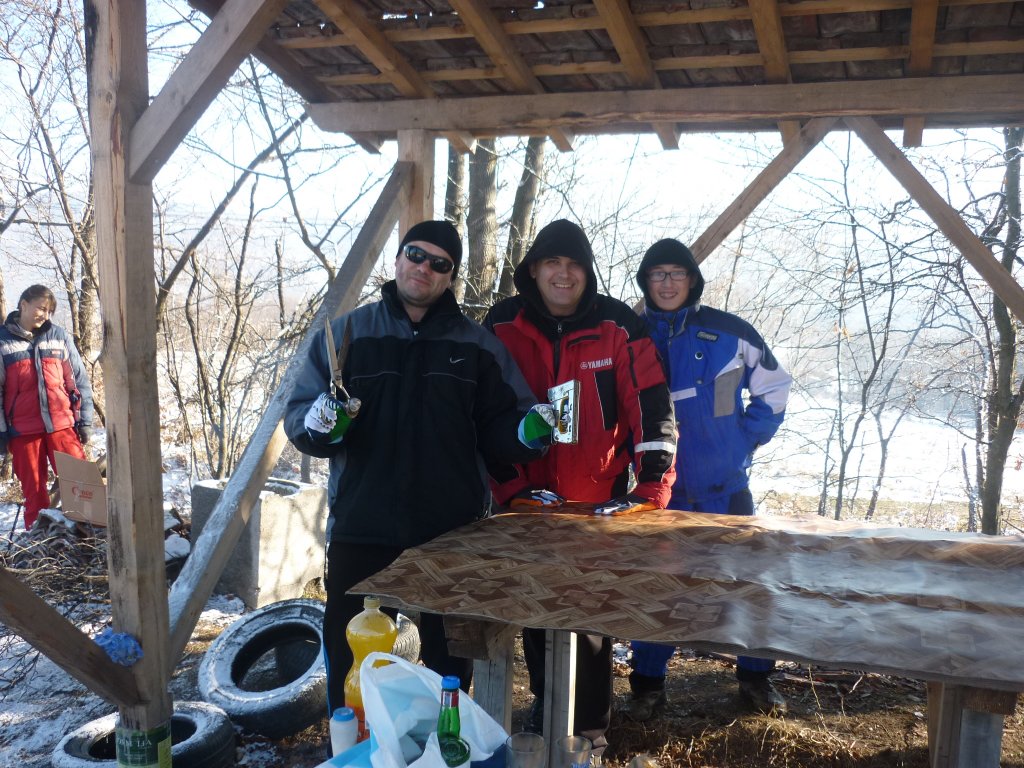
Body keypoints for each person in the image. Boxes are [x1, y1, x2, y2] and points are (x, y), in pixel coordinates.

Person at [284, 220, 545, 717]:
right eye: (415, 254)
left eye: (439, 263)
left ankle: (444, 743)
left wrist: (529, 432)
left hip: (451, 533)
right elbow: (300, 418)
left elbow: (504, 427)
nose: (424, 267)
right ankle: (354, 745)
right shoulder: (345, 336)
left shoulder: (478, 346)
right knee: (353, 663)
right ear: (399, 258)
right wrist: (318, 426)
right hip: (363, 527)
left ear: (450, 276)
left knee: (451, 666)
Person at [483, 219, 677, 761]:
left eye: (573, 264)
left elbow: (651, 406)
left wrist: (651, 486)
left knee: (590, 617)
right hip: (525, 499)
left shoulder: (617, 326)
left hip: (596, 499)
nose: (563, 274)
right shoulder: (502, 323)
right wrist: (510, 487)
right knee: (536, 607)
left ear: (587, 273)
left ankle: (590, 729)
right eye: (552, 263)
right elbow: (481, 410)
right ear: (533, 270)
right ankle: (548, 707)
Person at [626, 238, 793, 719]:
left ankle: (756, 678)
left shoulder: (728, 332)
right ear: (646, 282)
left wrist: (746, 438)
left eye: (676, 273)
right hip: (661, 494)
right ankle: (648, 686)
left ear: (692, 279)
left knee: (747, 585)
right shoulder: (631, 335)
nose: (667, 283)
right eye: (657, 274)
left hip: (726, 488)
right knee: (659, 590)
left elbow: (774, 387)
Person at [0, 285, 94, 530]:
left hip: (62, 426)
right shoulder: (2, 341)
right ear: (23, 304)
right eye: (40, 308)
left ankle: (91, 539)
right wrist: (1, 432)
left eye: (48, 310)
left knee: (84, 488)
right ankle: (39, 544)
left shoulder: (58, 336)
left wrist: (85, 420)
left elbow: (77, 381)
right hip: (23, 432)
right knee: (35, 497)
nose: (44, 314)